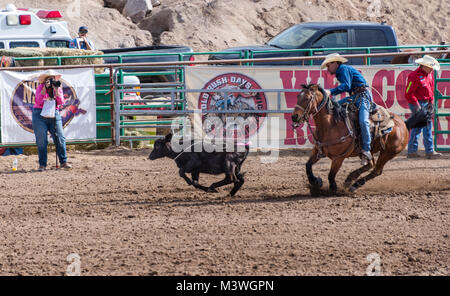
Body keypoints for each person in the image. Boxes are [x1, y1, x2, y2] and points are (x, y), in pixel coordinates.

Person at [320, 53, 378, 165]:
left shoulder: (342, 69)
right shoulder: (342, 70)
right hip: (355, 97)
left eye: (328, 65)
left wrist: (331, 91)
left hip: (363, 96)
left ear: (335, 63)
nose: (327, 68)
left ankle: (366, 149)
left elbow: (346, 85)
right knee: (334, 108)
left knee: (363, 121)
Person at [32, 70, 72, 171]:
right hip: (39, 114)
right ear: (44, 81)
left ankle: (63, 161)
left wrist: (57, 90)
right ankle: (42, 164)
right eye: (49, 79)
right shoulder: (40, 87)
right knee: (41, 140)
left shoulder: (58, 88)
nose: (51, 81)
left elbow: (61, 102)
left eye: (53, 79)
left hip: (54, 113)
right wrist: (44, 89)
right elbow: (38, 101)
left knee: (60, 137)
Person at [405, 55, 442, 159]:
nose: (431, 69)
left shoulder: (429, 75)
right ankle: (418, 151)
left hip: (426, 103)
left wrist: (431, 103)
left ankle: (422, 151)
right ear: (424, 66)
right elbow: (408, 93)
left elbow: (431, 89)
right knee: (419, 127)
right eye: (430, 67)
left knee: (426, 126)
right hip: (417, 103)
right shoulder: (414, 76)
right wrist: (417, 105)